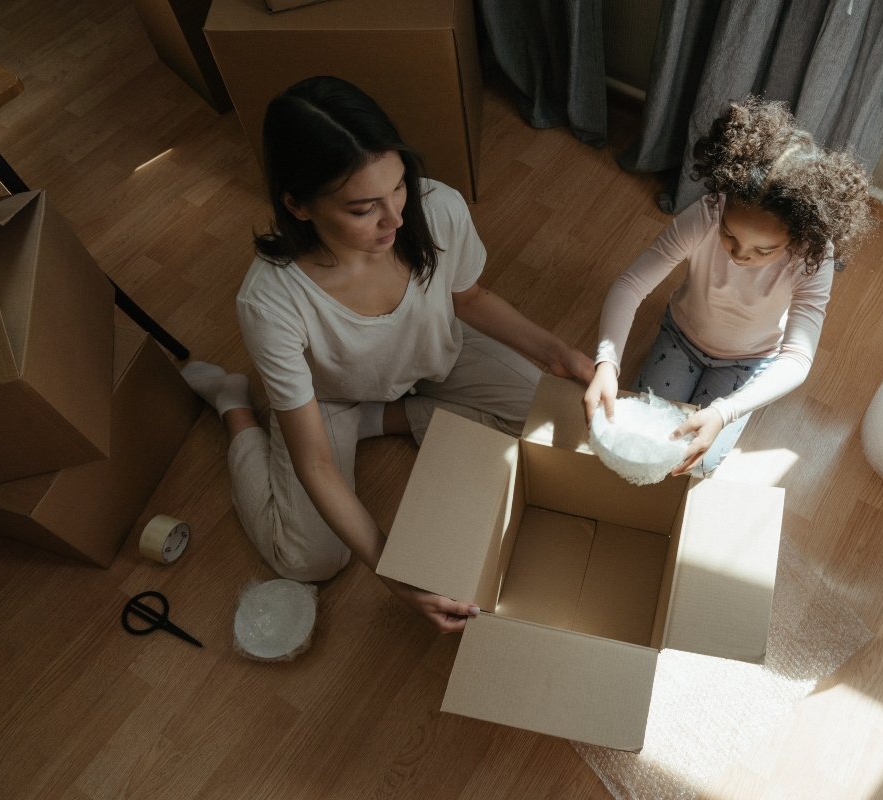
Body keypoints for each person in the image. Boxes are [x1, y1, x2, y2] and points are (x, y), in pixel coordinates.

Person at [182, 76, 593, 634]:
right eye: (362, 209)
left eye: (399, 186)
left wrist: (559, 353)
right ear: (299, 207)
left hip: (433, 354)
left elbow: (469, 298)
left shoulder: (436, 207)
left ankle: (385, 417)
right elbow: (316, 463)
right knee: (311, 560)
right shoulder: (270, 302)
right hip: (328, 397)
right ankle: (235, 411)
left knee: (553, 414)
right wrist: (391, 568)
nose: (396, 219)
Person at [583, 96, 875, 477]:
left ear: (797, 237)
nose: (740, 255)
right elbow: (631, 285)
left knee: (695, 462)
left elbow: (797, 358)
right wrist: (607, 363)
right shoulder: (706, 214)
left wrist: (725, 412)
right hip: (682, 336)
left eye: (763, 250)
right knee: (640, 439)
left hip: (751, 357)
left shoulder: (812, 254)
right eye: (729, 235)